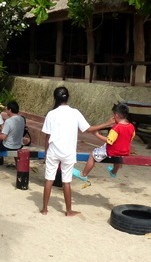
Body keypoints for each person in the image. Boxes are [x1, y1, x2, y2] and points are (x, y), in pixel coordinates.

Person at [40, 86, 103, 216]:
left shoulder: (51, 114)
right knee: (66, 182)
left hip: (53, 150)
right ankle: (68, 211)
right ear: (68, 97)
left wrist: (46, 153)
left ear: (55, 98)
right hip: (68, 152)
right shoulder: (75, 112)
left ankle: (45, 209)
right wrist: (106, 124)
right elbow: (88, 129)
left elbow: (47, 136)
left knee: (49, 180)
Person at [73, 103, 136, 181]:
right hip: (124, 150)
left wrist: (97, 134)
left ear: (116, 115)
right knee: (118, 158)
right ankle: (114, 172)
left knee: (93, 155)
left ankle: (83, 174)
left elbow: (109, 141)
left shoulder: (116, 128)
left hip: (112, 150)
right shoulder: (131, 126)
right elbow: (131, 137)